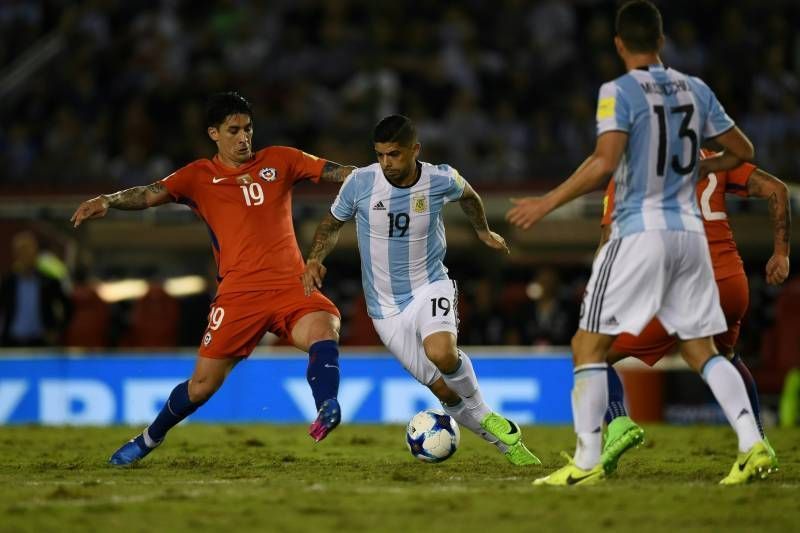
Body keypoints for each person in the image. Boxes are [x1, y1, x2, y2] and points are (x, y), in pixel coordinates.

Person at [507, 0, 769, 485]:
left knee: (586, 346)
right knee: (701, 349)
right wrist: (702, 167)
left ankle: (586, 462)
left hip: (640, 231)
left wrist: (547, 203)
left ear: (619, 45)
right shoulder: (696, 88)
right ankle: (753, 444)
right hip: (691, 237)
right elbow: (743, 152)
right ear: (662, 41)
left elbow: (605, 162)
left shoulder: (618, 90)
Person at [71, 92, 356, 465]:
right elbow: (148, 194)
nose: (243, 138)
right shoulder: (198, 176)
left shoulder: (281, 160)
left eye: (248, 129)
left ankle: (326, 407)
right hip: (238, 296)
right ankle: (148, 439)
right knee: (202, 387)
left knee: (325, 328)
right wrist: (108, 200)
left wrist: (382, 176)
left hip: (291, 285)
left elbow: (342, 173)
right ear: (213, 134)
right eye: (233, 130)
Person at [303, 114, 541, 466]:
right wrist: (314, 257)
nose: (386, 163)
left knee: (442, 353)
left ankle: (485, 411)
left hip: (429, 285)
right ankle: (511, 447)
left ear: (415, 150)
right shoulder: (361, 182)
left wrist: (482, 231)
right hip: (385, 309)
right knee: (443, 389)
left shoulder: (440, 178)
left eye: (394, 155)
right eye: (381, 155)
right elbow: (332, 222)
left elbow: (470, 195)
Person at [599, 150, 790, 473]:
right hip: (732, 283)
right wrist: (781, 254)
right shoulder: (716, 158)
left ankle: (618, 424)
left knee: (595, 353)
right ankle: (758, 443)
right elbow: (778, 190)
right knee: (726, 356)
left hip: (684, 287)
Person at [0, 231, 71, 347]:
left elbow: (68, 307)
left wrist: (57, 330)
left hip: (40, 343)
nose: (25, 254)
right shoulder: (8, 282)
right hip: (12, 342)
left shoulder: (48, 281)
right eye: (21, 251)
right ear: (15, 254)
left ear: (35, 252)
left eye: (28, 250)